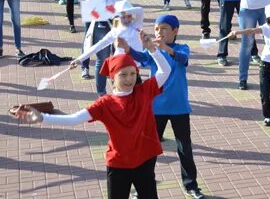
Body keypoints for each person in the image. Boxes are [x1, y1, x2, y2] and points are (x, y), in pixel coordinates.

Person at [12, 32, 172, 199]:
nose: (129, 79)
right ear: (112, 78)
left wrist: (153, 49)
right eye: (123, 75)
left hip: (145, 160)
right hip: (119, 164)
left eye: (133, 73)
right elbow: (74, 119)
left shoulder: (144, 91)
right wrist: (42, 118)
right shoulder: (104, 104)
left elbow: (165, 70)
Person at [125, 14, 205, 199]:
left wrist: (165, 48)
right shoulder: (153, 51)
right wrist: (129, 48)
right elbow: (140, 58)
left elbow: (182, 59)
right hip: (156, 108)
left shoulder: (182, 48)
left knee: (184, 148)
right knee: (149, 149)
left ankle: (191, 186)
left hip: (179, 108)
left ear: (175, 31)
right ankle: (142, 187)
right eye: (156, 29)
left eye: (163, 28)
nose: (158, 32)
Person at [230, 4, 270, 126]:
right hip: (266, 66)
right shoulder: (266, 28)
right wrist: (236, 32)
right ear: (268, 19)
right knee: (265, 93)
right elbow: (251, 30)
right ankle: (267, 116)